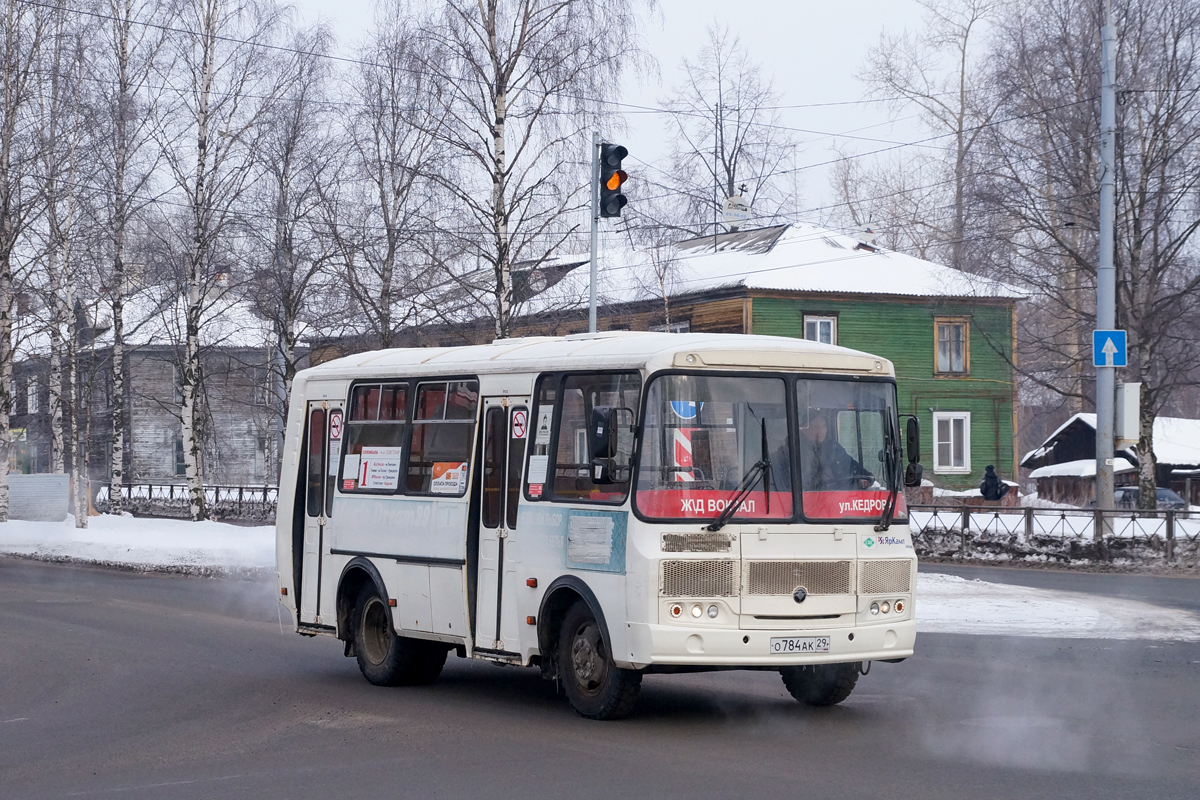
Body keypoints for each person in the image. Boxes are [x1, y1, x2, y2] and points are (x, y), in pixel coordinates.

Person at [799, 413, 873, 491]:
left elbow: (853, 467)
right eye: (816, 427)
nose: (821, 431)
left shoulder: (833, 448)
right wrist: (855, 484)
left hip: (839, 499)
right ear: (805, 430)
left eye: (823, 426)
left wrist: (868, 479)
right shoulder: (796, 452)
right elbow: (811, 484)